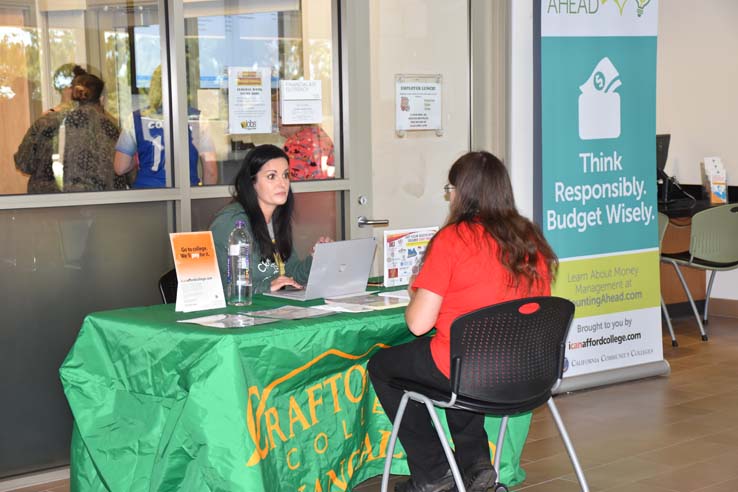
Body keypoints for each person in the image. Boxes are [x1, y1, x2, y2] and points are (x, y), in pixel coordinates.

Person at [368, 151, 558, 492]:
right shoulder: (530, 238)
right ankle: (475, 467)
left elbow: (417, 325)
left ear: (463, 192)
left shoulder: (453, 239)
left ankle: (434, 471)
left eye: (451, 188)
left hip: (471, 370)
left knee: (384, 366)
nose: (450, 195)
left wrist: (418, 291)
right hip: (530, 370)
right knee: (459, 361)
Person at [210, 144, 331, 293]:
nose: (282, 183)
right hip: (239, 311)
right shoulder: (231, 223)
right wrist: (268, 287)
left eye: (286, 175)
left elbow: (290, 274)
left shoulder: (276, 218)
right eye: (271, 176)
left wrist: (316, 258)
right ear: (252, 182)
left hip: (273, 308)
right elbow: (227, 288)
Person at [113, 65, 217, 188]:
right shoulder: (198, 119)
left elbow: (120, 167)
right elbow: (210, 172)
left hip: (146, 196)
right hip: (186, 196)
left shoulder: (136, 119)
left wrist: (139, 159)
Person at [60, 71, 125, 191]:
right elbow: (124, 161)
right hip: (110, 194)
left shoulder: (67, 120)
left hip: (77, 194)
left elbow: (61, 158)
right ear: (101, 98)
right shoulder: (112, 124)